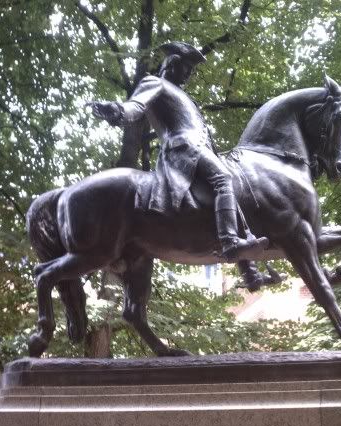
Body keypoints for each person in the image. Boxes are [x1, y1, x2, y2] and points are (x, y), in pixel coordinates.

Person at [91, 41, 268, 262]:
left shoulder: (184, 96)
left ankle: (248, 270)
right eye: (187, 68)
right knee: (223, 179)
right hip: (183, 149)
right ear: (173, 64)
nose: (189, 74)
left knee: (229, 191)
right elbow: (136, 107)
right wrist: (117, 110)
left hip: (198, 149)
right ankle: (229, 241)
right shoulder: (155, 83)